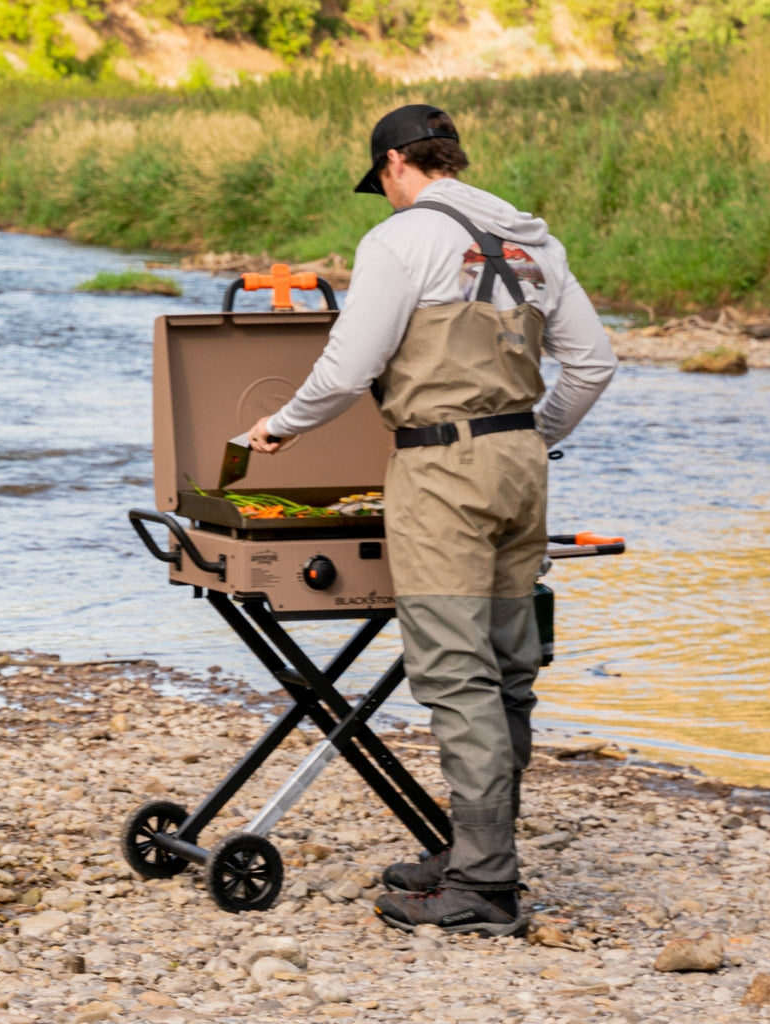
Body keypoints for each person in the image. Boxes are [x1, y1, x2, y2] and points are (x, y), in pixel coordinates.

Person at [247, 104, 616, 936]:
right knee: (509, 669)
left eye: (381, 183)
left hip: (442, 471)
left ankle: (484, 886)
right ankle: (472, 851)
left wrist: (279, 427)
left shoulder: (402, 238)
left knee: (455, 673)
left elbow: (350, 365)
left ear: (392, 168)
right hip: (521, 470)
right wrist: (525, 438)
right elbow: (593, 364)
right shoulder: (531, 240)